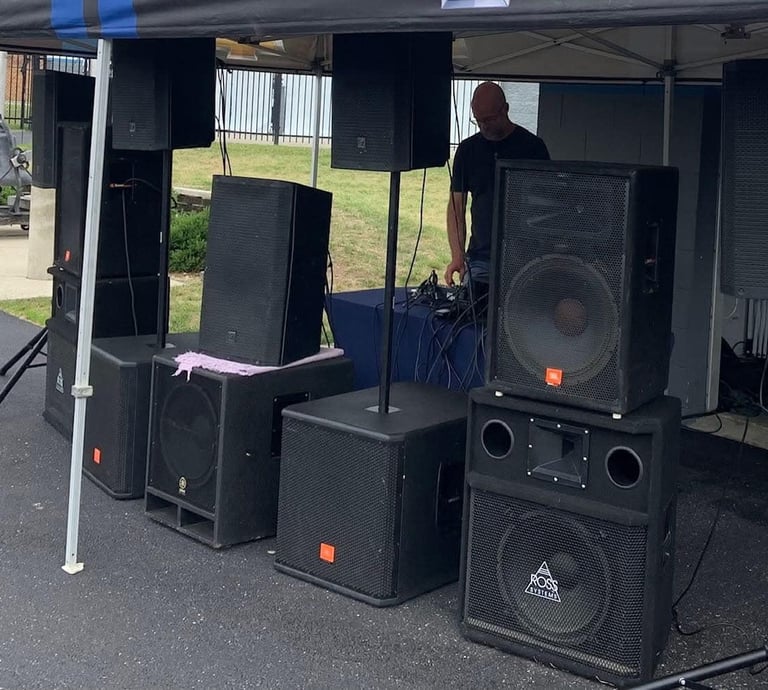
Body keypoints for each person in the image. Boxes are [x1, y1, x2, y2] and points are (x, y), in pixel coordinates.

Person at [445, 81, 550, 288]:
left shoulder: (533, 148)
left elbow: (548, 205)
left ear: (506, 109)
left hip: (527, 258)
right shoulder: (467, 151)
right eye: (479, 120)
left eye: (490, 119)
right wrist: (457, 255)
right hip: (481, 258)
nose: (484, 126)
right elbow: (456, 207)